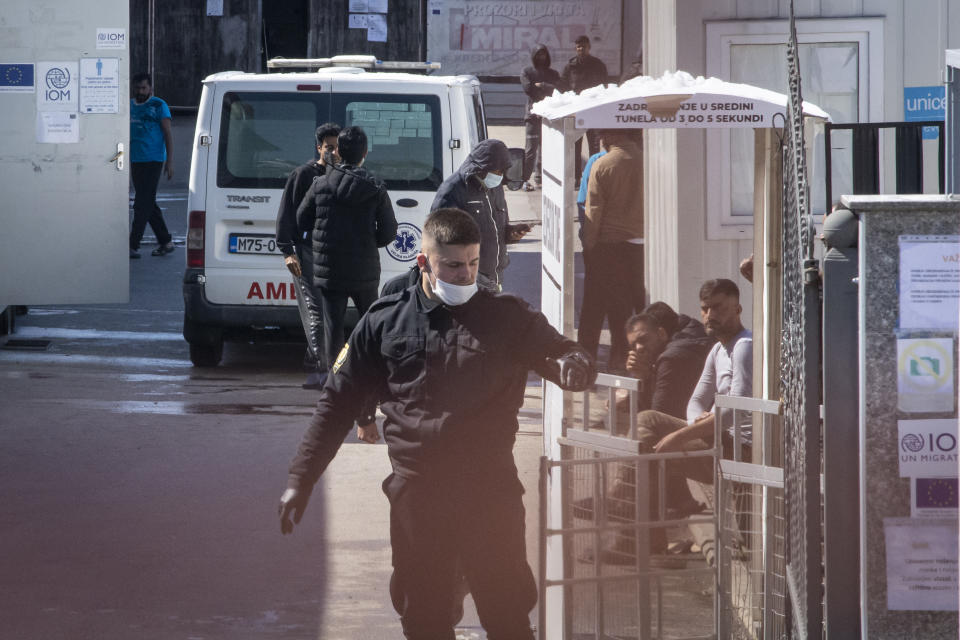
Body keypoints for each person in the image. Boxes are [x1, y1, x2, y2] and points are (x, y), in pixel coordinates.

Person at [279, 208, 597, 640]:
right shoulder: (384, 321)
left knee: (506, 613)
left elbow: (559, 351)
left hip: (490, 492)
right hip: (419, 496)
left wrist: (573, 364)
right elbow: (337, 403)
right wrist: (302, 477)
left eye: (472, 263)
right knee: (424, 616)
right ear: (423, 262)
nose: (465, 274)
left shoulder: (508, 316)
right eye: (452, 264)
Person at [295, 125, 398, 394]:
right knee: (370, 324)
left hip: (329, 269)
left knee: (333, 328)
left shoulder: (320, 184)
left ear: (338, 152)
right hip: (364, 268)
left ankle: (336, 383)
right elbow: (389, 231)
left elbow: (301, 219)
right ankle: (373, 380)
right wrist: (366, 242)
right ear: (365, 153)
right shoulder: (375, 187)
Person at [275, 122, 342, 390]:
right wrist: (287, 251)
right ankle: (319, 370)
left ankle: (315, 360)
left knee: (327, 311)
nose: (333, 152)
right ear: (318, 147)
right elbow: (285, 215)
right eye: (328, 147)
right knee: (315, 310)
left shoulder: (341, 175)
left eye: (337, 148)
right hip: (306, 251)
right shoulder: (303, 175)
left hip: (332, 254)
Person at [577, 129, 645, 370]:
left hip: (609, 246)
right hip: (640, 246)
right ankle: (623, 361)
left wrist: (589, 245)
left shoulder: (603, 165)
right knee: (629, 307)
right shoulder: (648, 161)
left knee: (595, 306)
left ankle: (586, 360)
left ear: (609, 138)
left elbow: (593, 212)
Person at [431, 139, 530, 292]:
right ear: (481, 169)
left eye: (502, 171)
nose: (499, 176)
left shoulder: (495, 187)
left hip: (494, 278)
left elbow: (497, 228)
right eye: (496, 171)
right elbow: (440, 240)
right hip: (469, 280)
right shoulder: (453, 190)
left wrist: (511, 233)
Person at [129, 72, 175, 259]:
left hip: (153, 160)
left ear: (150, 88)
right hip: (136, 159)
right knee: (147, 202)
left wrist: (169, 162)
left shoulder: (158, 105)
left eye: (144, 88)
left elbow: (168, 134)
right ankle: (166, 241)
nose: (141, 91)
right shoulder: (130, 105)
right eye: (138, 88)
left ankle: (133, 244)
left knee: (141, 204)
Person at [561, 35, 609, 177]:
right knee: (576, 145)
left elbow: (604, 86)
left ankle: (593, 176)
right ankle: (576, 177)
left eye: (584, 46)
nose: (581, 49)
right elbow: (563, 85)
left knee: (594, 145)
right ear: (576, 49)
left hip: (593, 110)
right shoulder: (570, 66)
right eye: (578, 47)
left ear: (589, 47)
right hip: (577, 110)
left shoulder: (598, 65)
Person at [520, 44, 564, 191]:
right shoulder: (527, 71)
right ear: (533, 55)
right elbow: (528, 88)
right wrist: (545, 89)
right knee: (531, 150)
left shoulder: (553, 73)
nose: (541, 57)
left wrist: (543, 85)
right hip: (533, 116)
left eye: (543, 54)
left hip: (550, 115)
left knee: (546, 149)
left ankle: (540, 178)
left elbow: (560, 89)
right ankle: (525, 179)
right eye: (538, 54)